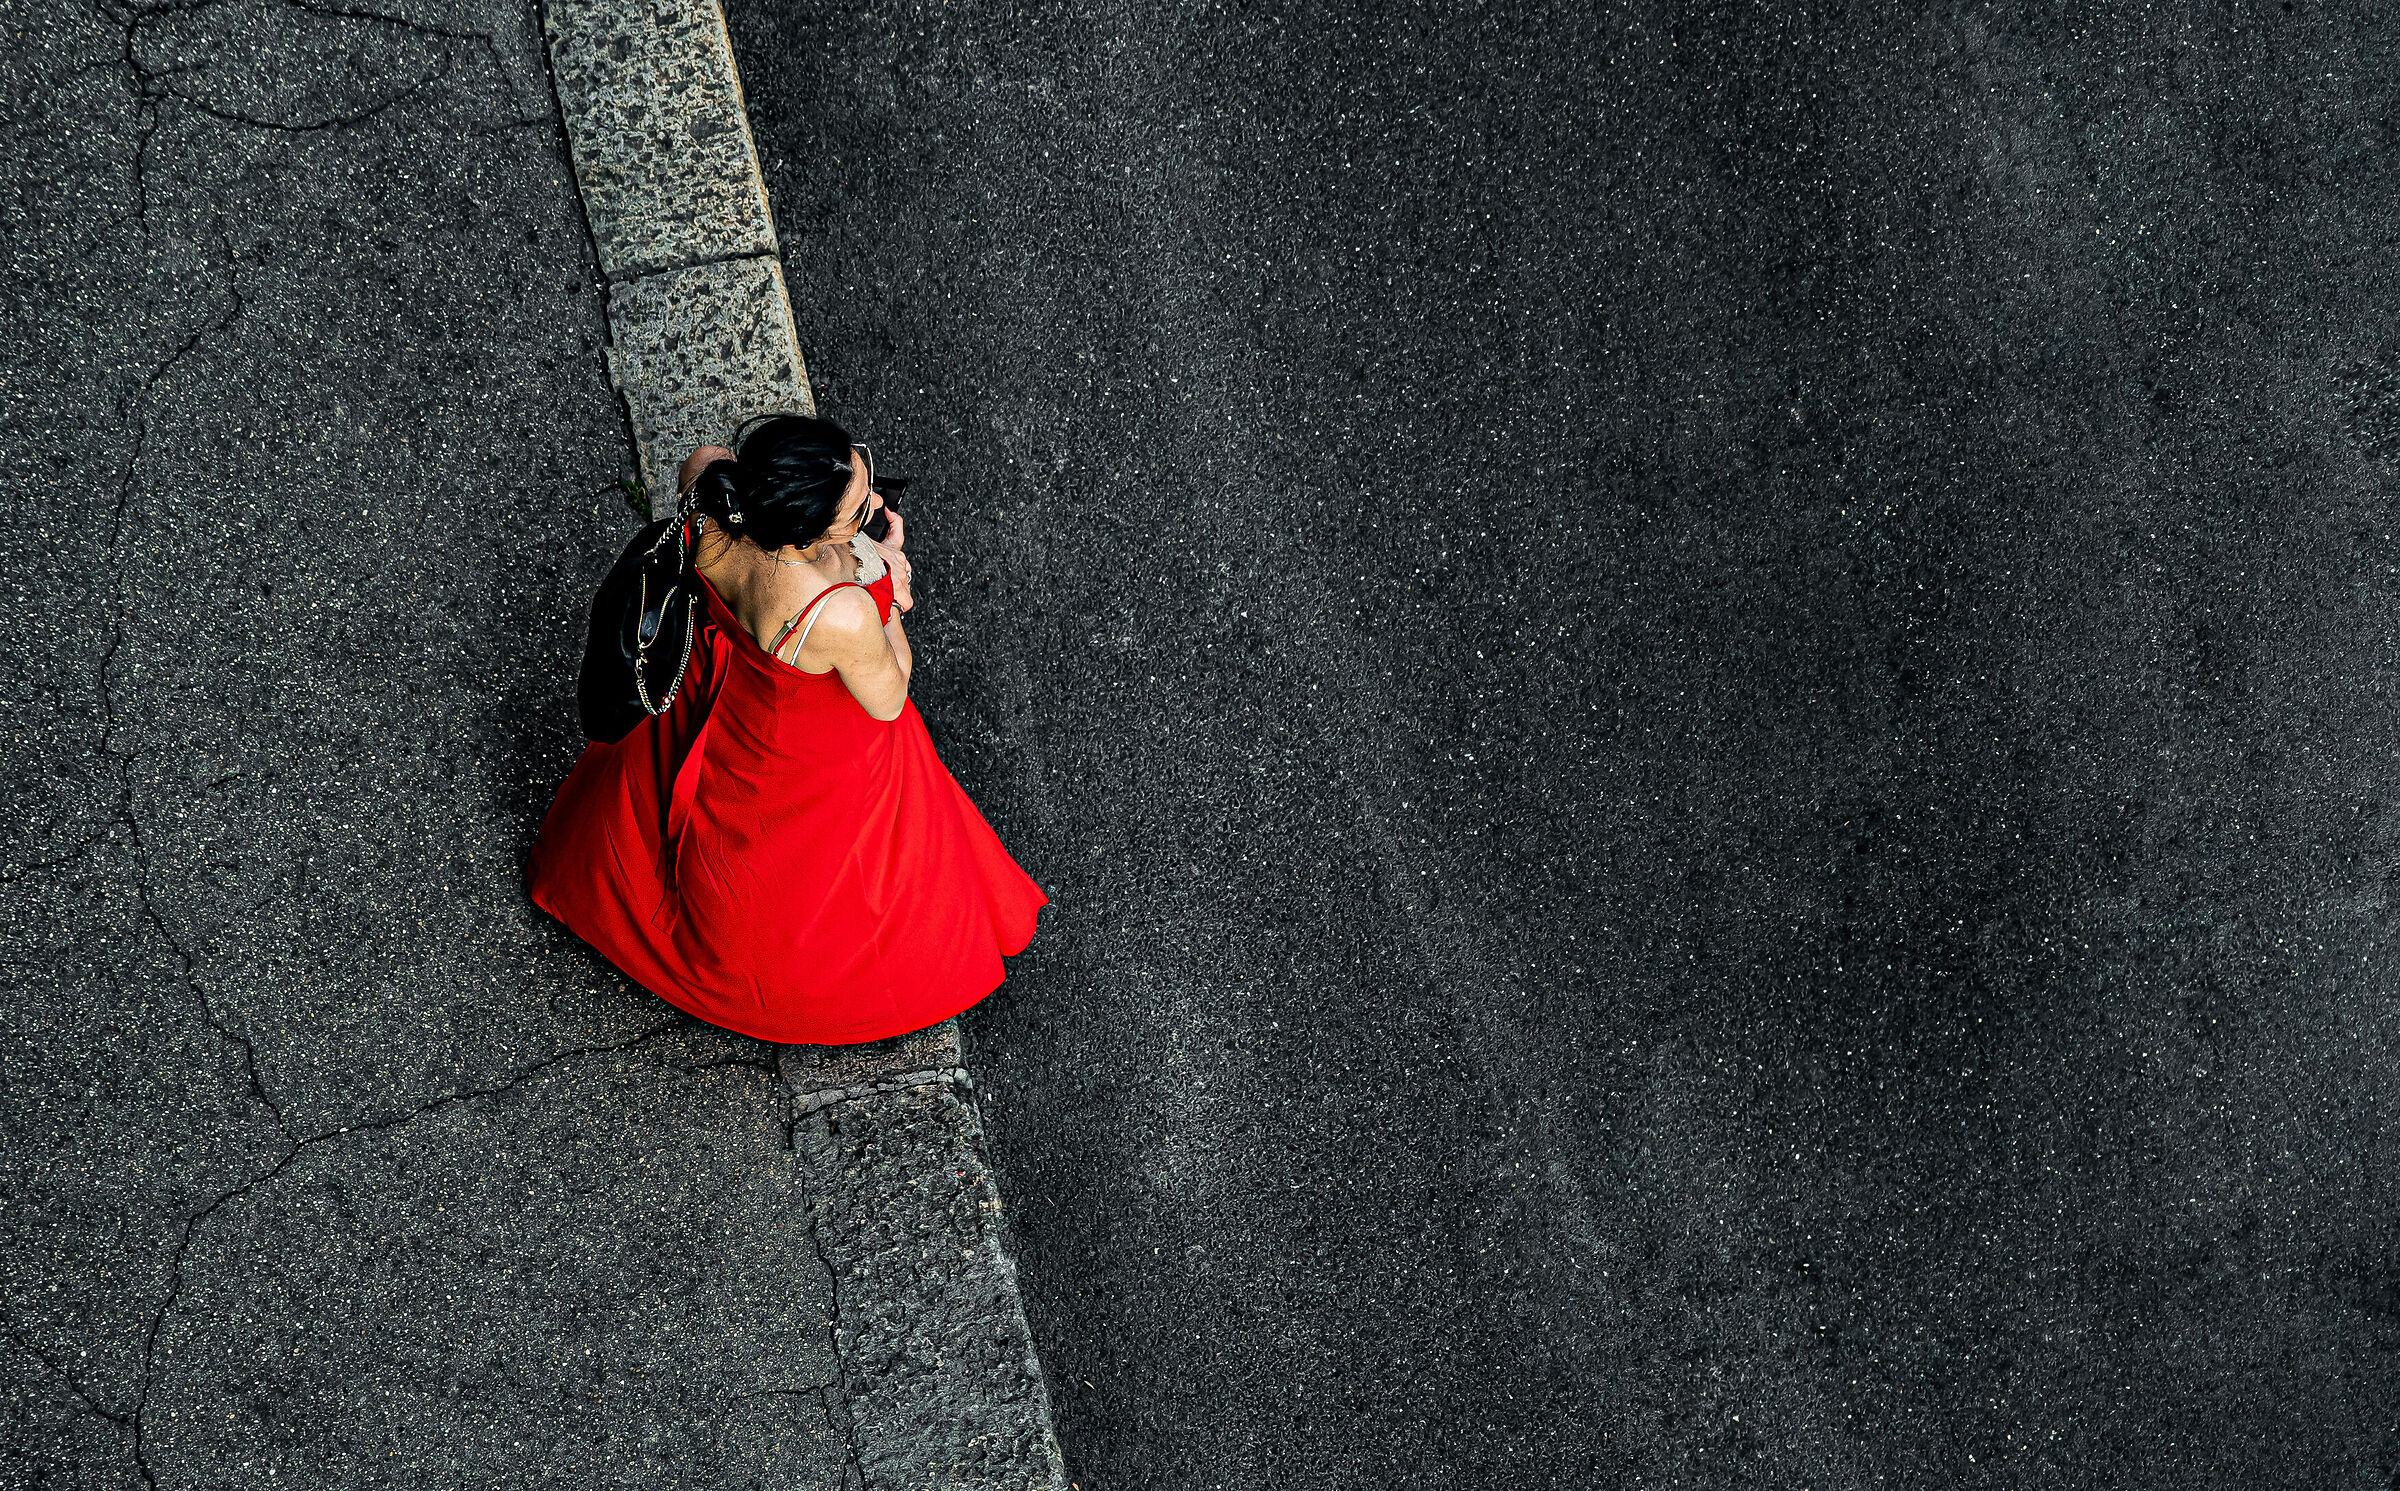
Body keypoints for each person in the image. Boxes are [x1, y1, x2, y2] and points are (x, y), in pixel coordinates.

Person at [526, 412, 1049, 1044]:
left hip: (723, 693)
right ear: (805, 538)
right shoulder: (839, 613)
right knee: (819, 876)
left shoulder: (710, 481)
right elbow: (890, 695)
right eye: (858, 512)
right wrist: (887, 583)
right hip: (796, 740)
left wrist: (851, 552)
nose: (874, 503)